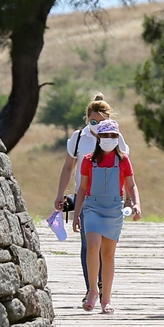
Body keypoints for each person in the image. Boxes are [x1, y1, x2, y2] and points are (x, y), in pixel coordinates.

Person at [53, 94, 116, 309]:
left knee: (105, 248)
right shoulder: (79, 138)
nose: (96, 125)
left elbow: (125, 167)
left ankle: (102, 286)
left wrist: (129, 199)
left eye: (100, 120)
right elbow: (68, 167)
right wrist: (60, 193)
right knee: (88, 246)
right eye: (92, 121)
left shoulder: (115, 136)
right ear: (87, 119)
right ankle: (92, 288)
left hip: (110, 200)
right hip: (85, 198)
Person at [72, 118, 140, 314]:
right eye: (105, 135)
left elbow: (131, 185)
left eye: (113, 136)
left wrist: (135, 203)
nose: (109, 139)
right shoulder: (87, 160)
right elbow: (83, 188)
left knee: (108, 254)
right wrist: (77, 215)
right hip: (92, 207)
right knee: (92, 246)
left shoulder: (123, 160)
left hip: (113, 209)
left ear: (118, 137)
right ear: (98, 137)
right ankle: (93, 290)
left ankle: (106, 299)